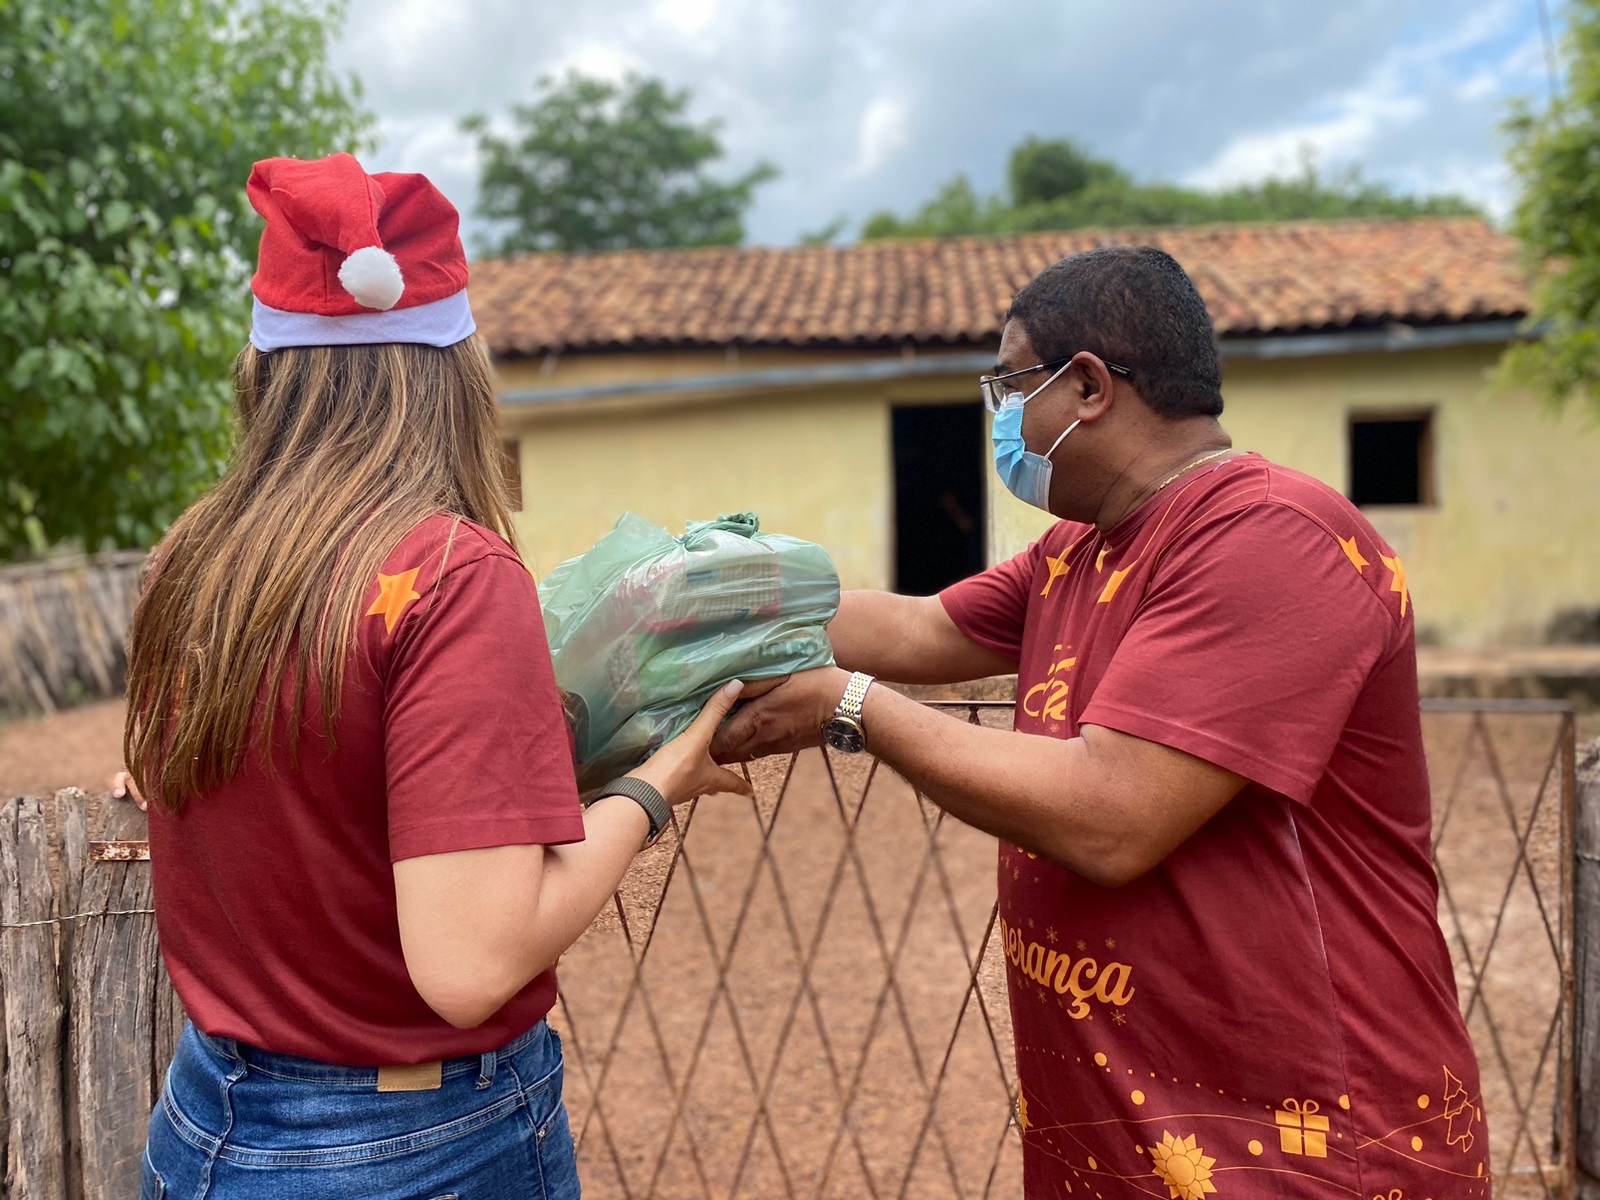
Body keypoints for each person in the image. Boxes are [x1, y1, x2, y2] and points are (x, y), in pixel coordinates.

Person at [712, 247, 1490, 1199]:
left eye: (1008, 383)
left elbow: (1112, 817)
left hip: (1300, 1145)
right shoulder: (1082, 550)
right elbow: (919, 625)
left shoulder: (1274, 539)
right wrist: (720, 598)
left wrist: (851, 709)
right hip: (1131, 1135)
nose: (1000, 416)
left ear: (1085, 386)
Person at [113, 152, 753, 1200]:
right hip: (413, 1148)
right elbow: (469, 965)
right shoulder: (451, 574)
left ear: (266, 369)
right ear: (454, 369)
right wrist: (656, 785)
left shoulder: (191, 558)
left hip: (208, 1120)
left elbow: (267, 785)